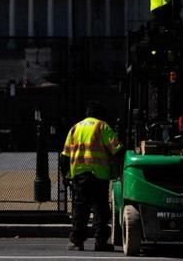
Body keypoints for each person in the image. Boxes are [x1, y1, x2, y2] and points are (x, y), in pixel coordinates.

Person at [60, 101, 123, 252]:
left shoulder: (75, 128)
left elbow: (65, 156)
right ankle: (100, 242)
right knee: (100, 209)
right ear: (101, 114)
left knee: (80, 208)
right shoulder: (102, 126)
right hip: (99, 175)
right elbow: (117, 149)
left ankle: (76, 241)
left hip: (79, 175)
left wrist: (65, 175)